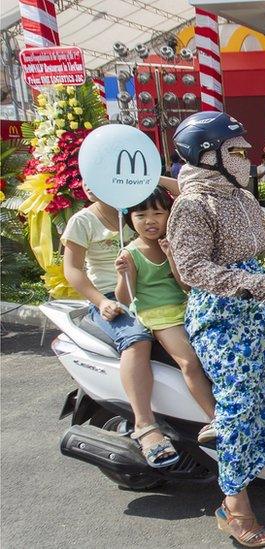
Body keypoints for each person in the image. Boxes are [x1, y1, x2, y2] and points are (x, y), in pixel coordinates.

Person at [168, 112, 265, 547]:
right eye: (234, 151)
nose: (245, 159)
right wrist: (252, 282)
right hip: (222, 315)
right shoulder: (192, 205)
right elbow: (194, 268)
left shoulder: (241, 198)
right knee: (243, 400)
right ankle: (233, 503)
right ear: (207, 155)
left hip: (258, 309)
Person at [62, 177, 182, 468]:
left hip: (158, 293)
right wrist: (102, 302)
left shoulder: (139, 208)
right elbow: (72, 270)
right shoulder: (83, 221)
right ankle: (145, 425)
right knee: (137, 339)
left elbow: (184, 191)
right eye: (86, 178)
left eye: (101, 175)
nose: (91, 184)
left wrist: (147, 175)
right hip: (111, 297)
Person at [114, 188, 217, 439]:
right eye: (141, 215)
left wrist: (172, 255)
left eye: (158, 213)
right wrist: (122, 274)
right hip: (158, 315)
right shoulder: (131, 253)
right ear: (130, 219)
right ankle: (215, 418)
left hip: (186, 307)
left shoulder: (172, 244)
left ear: (170, 215)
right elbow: (125, 298)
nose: (150, 220)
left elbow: (185, 285)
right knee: (189, 362)